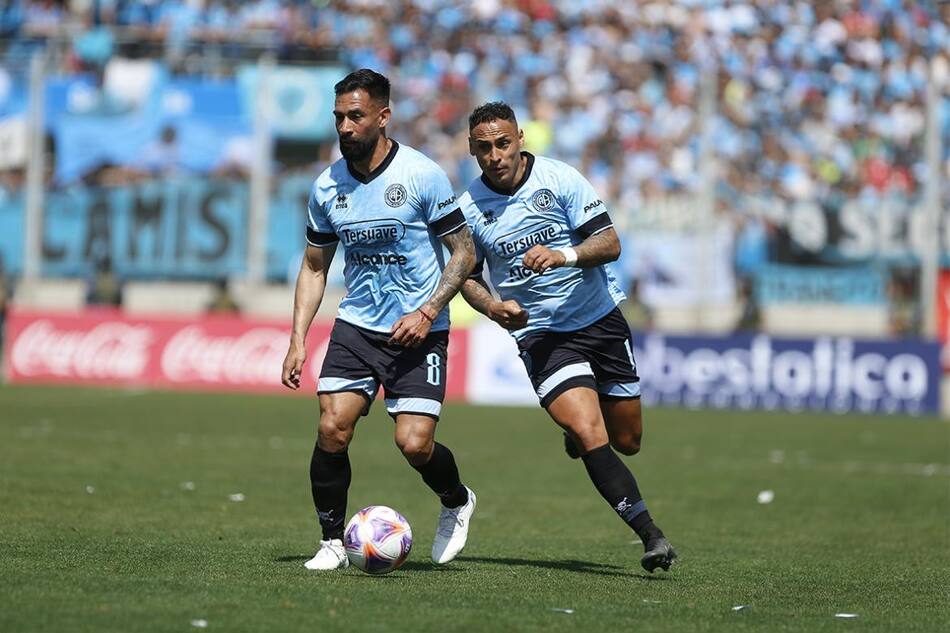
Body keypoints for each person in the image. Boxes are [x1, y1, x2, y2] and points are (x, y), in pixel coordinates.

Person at [457, 102, 676, 573]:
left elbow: (610, 243)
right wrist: (492, 307)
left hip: (599, 318)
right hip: (541, 335)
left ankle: (579, 438)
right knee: (589, 430)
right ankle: (651, 535)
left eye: (502, 143)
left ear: (520, 139)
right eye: (483, 148)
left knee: (628, 439)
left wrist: (563, 255)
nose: (495, 155)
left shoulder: (560, 180)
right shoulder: (468, 209)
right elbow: (466, 276)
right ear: (472, 151)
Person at [281, 69, 478, 571]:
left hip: (419, 329)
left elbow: (462, 253)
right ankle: (330, 542)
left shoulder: (421, 175)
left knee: (414, 444)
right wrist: (297, 339)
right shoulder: (327, 186)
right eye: (339, 117)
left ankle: (456, 500)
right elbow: (314, 265)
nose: (345, 127)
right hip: (357, 327)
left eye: (356, 116)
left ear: (383, 116)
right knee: (333, 427)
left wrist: (429, 309)